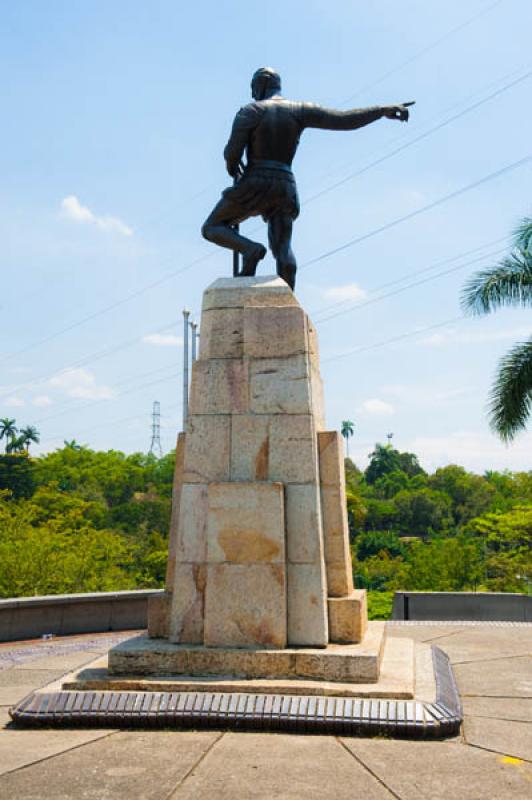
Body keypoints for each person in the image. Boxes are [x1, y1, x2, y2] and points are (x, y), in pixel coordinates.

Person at [202, 67, 412, 290]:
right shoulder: (299, 110)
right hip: (285, 185)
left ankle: (250, 249)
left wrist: (232, 164)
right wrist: (381, 110)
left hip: (256, 180)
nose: (253, 94)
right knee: (283, 248)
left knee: (212, 227)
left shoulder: (251, 110)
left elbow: (233, 153)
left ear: (261, 85)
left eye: (254, 88)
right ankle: (288, 302)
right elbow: (343, 120)